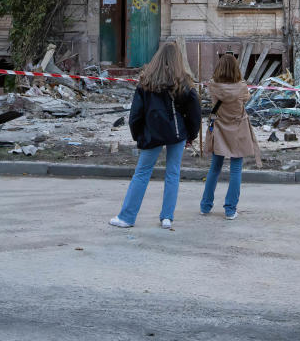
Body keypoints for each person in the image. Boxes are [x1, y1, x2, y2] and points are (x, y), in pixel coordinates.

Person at [110, 42, 202, 230]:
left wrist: (138, 136)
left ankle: (127, 217)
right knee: (173, 173)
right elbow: (195, 113)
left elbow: (136, 113)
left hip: (152, 134)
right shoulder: (183, 82)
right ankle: (167, 217)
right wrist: (191, 135)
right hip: (177, 133)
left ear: (158, 57)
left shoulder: (146, 81)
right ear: (178, 59)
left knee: (142, 173)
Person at [199, 52, 261, 220]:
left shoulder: (213, 86)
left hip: (219, 128)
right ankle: (230, 209)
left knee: (214, 168)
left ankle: (205, 206)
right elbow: (245, 99)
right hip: (238, 129)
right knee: (236, 170)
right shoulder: (241, 87)